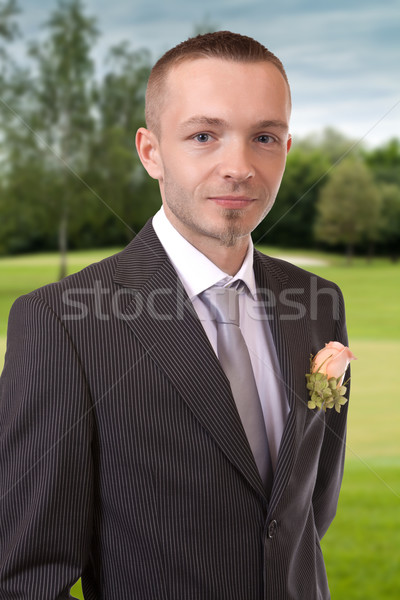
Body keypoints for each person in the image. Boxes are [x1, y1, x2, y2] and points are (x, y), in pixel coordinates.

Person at [0, 31, 350, 599]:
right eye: (204, 136)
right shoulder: (62, 324)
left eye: (263, 136)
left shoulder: (319, 301)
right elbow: (22, 577)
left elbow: (309, 512)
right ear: (151, 152)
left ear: (286, 150)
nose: (238, 166)